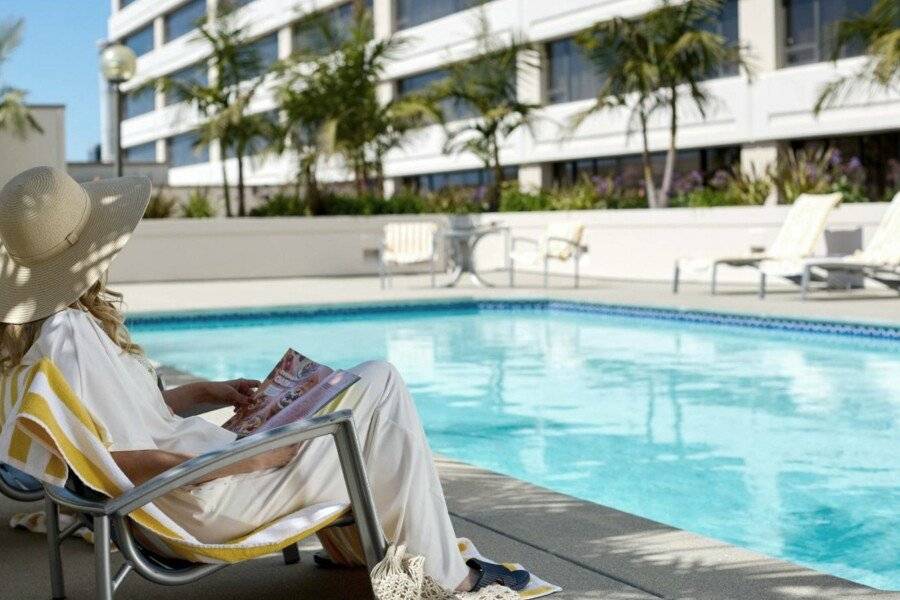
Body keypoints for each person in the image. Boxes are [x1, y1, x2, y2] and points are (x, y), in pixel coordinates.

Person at [0, 167, 528, 593]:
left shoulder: (60, 332)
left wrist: (207, 394)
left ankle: (374, 554)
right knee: (380, 387)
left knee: (358, 403)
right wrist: (248, 457)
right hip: (206, 499)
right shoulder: (69, 341)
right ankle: (445, 579)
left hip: (201, 480)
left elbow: (132, 426)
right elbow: (104, 465)